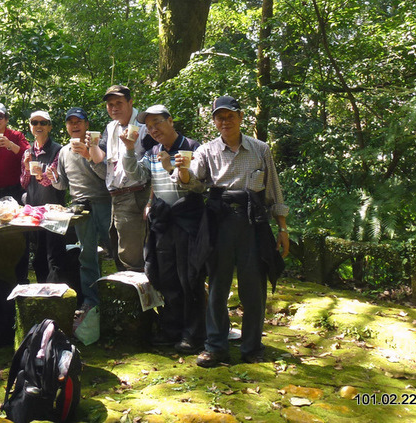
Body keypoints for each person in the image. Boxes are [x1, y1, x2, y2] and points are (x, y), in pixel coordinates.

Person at [175, 95, 290, 367]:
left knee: (254, 286)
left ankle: (252, 346)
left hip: (253, 222)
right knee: (217, 283)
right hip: (218, 220)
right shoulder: (206, 150)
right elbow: (193, 183)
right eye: (219, 117)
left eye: (230, 116)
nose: (225, 121)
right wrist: (181, 171)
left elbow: (273, 189)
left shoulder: (260, 149)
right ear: (214, 121)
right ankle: (215, 346)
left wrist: (283, 228)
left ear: (241, 118)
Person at [121, 104, 205, 350]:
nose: (153, 129)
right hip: (163, 222)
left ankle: (193, 334)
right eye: (149, 126)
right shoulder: (153, 151)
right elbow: (137, 175)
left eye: (158, 123)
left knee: (189, 277)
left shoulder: (193, 148)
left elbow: (201, 186)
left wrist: (172, 168)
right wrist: (128, 150)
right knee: (165, 276)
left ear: (171, 121)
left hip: (188, 222)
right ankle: (171, 329)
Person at [50, 107, 110, 317]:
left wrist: (88, 154)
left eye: (79, 121)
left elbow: (107, 175)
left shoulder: (98, 144)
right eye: (71, 122)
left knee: (117, 251)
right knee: (87, 255)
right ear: (66, 126)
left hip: (104, 202)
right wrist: (52, 178)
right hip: (79, 207)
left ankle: (123, 299)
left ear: (86, 125)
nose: (75, 125)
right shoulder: (64, 152)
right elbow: (62, 185)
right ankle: (92, 302)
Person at [88, 85, 150, 271]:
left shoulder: (144, 127)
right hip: (117, 197)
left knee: (133, 256)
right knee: (118, 249)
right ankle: (131, 295)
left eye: (119, 103)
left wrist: (150, 201)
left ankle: (140, 297)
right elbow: (102, 159)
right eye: (110, 104)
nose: (114, 107)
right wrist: (90, 148)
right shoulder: (111, 127)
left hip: (137, 194)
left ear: (130, 103)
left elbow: (152, 168)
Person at [20, 110, 66, 283]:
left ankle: (57, 297)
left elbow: (54, 180)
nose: (38, 126)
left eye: (43, 123)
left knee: (54, 255)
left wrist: (41, 176)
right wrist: (26, 166)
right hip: (35, 210)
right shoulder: (28, 151)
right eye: (35, 122)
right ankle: (41, 294)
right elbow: (24, 183)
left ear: (49, 127)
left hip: (55, 210)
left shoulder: (58, 150)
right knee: (38, 256)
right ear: (30, 126)